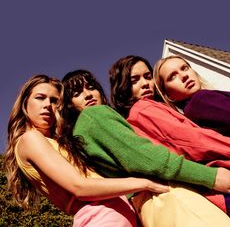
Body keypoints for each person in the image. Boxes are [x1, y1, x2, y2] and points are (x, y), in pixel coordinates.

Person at [62, 69, 230, 227]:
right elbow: (149, 159)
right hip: (165, 196)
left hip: (147, 208)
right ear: (69, 104)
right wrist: (210, 176)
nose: (87, 95)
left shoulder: (80, 134)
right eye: (77, 93)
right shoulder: (94, 115)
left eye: (91, 87)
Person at [4, 74, 173, 227]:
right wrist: (145, 183)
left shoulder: (57, 143)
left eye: (54, 100)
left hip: (119, 215)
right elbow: (80, 187)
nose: (48, 105)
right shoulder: (30, 139)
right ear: (25, 103)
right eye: (40, 98)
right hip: (100, 216)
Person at [109, 55, 230, 224]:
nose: (145, 83)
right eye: (134, 80)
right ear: (123, 86)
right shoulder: (143, 110)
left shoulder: (139, 116)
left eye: (148, 77)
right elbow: (193, 142)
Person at [153, 54, 230, 138]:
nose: (184, 76)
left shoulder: (192, 115)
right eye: (172, 77)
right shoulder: (200, 100)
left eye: (184, 68)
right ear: (169, 96)